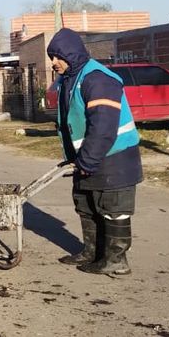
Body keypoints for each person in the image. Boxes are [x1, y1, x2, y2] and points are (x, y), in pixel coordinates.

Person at [48, 28, 142, 276]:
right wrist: (76, 160)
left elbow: (103, 126)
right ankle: (92, 252)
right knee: (87, 205)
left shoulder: (98, 79)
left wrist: (87, 160)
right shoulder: (70, 79)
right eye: (51, 57)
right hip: (87, 158)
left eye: (57, 56)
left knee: (113, 209)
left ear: (71, 53)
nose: (53, 62)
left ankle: (116, 259)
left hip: (114, 158)